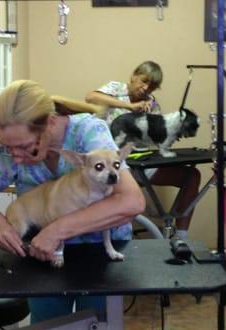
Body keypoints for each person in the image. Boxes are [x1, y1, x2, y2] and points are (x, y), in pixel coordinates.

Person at [0, 80, 145, 330]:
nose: (16, 158)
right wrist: (1, 227)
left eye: (26, 148)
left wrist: (59, 229)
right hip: (44, 255)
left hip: (98, 254)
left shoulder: (89, 134)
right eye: (10, 149)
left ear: (49, 124)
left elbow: (131, 202)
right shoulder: (9, 142)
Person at [85, 61, 201, 239]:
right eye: (144, 81)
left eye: (152, 86)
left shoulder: (151, 104)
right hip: (109, 166)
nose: (146, 88)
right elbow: (91, 97)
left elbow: (155, 138)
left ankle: (181, 239)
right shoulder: (115, 88)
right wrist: (129, 107)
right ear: (133, 75)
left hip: (138, 164)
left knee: (192, 176)